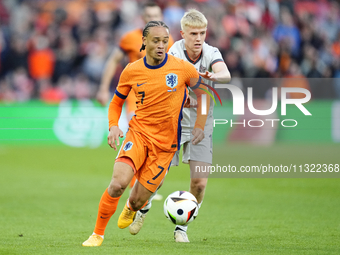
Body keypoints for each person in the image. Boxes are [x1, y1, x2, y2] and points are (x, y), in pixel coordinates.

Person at [82, 20, 210, 247]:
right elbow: (115, 103)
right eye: (156, 41)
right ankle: (97, 234)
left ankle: (132, 207)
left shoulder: (181, 68)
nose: (161, 45)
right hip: (138, 134)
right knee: (118, 183)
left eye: (165, 41)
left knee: (137, 199)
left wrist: (199, 124)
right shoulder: (131, 70)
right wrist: (113, 125)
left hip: (165, 146)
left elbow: (204, 94)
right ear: (144, 42)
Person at [128, 9, 231, 243]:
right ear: (182, 34)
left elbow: (225, 73)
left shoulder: (211, 52)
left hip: (202, 122)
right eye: (193, 33)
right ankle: (142, 208)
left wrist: (215, 77)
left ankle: (182, 228)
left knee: (200, 183)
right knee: (158, 176)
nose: (198, 38)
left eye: (202, 33)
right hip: (172, 121)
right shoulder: (173, 52)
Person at [96, 2, 174, 198]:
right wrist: (104, 88)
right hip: (135, 95)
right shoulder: (130, 38)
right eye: (149, 15)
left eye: (156, 15)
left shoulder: (168, 41)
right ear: (143, 18)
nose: (152, 19)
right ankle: (135, 183)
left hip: (158, 98)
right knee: (138, 131)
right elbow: (114, 59)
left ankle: (143, 182)